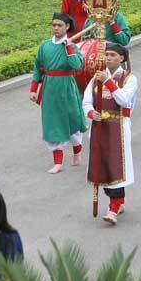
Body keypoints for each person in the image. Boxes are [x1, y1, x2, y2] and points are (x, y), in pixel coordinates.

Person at [83, 43, 137, 225]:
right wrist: (91, 113)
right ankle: (119, 201)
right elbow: (86, 102)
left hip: (119, 126)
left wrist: (107, 81)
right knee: (102, 166)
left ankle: (113, 208)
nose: (108, 58)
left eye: (112, 55)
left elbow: (123, 99)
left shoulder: (130, 78)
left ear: (121, 58)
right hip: (99, 126)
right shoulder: (96, 78)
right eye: (106, 54)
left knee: (117, 165)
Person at [29, 13, 86, 173]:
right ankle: (58, 163)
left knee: (72, 123)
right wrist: (34, 89)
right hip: (50, 90)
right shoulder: (45, 46)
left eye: (59, 25)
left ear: (67, 27)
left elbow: (77, 65)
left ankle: (77, 151)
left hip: (67, 88)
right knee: (52, 123)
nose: (55, 28)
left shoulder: (72, 47)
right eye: (53, 25)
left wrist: (68, 47)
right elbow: (38, 68)